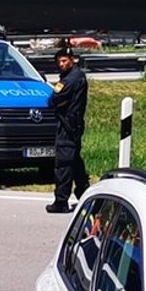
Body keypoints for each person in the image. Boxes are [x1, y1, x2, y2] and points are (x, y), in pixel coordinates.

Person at [46, 45, 90, 213]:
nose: (61, 64)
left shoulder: (70, 80)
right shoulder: (77, 76)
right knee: (74, 162)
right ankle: (85, 194)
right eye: (59, 61)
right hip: (74, 125)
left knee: (63, 164)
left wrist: (57, 102)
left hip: (68, 126)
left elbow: (53, 100)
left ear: (72, 60)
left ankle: (61, 201)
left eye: (65, 61)